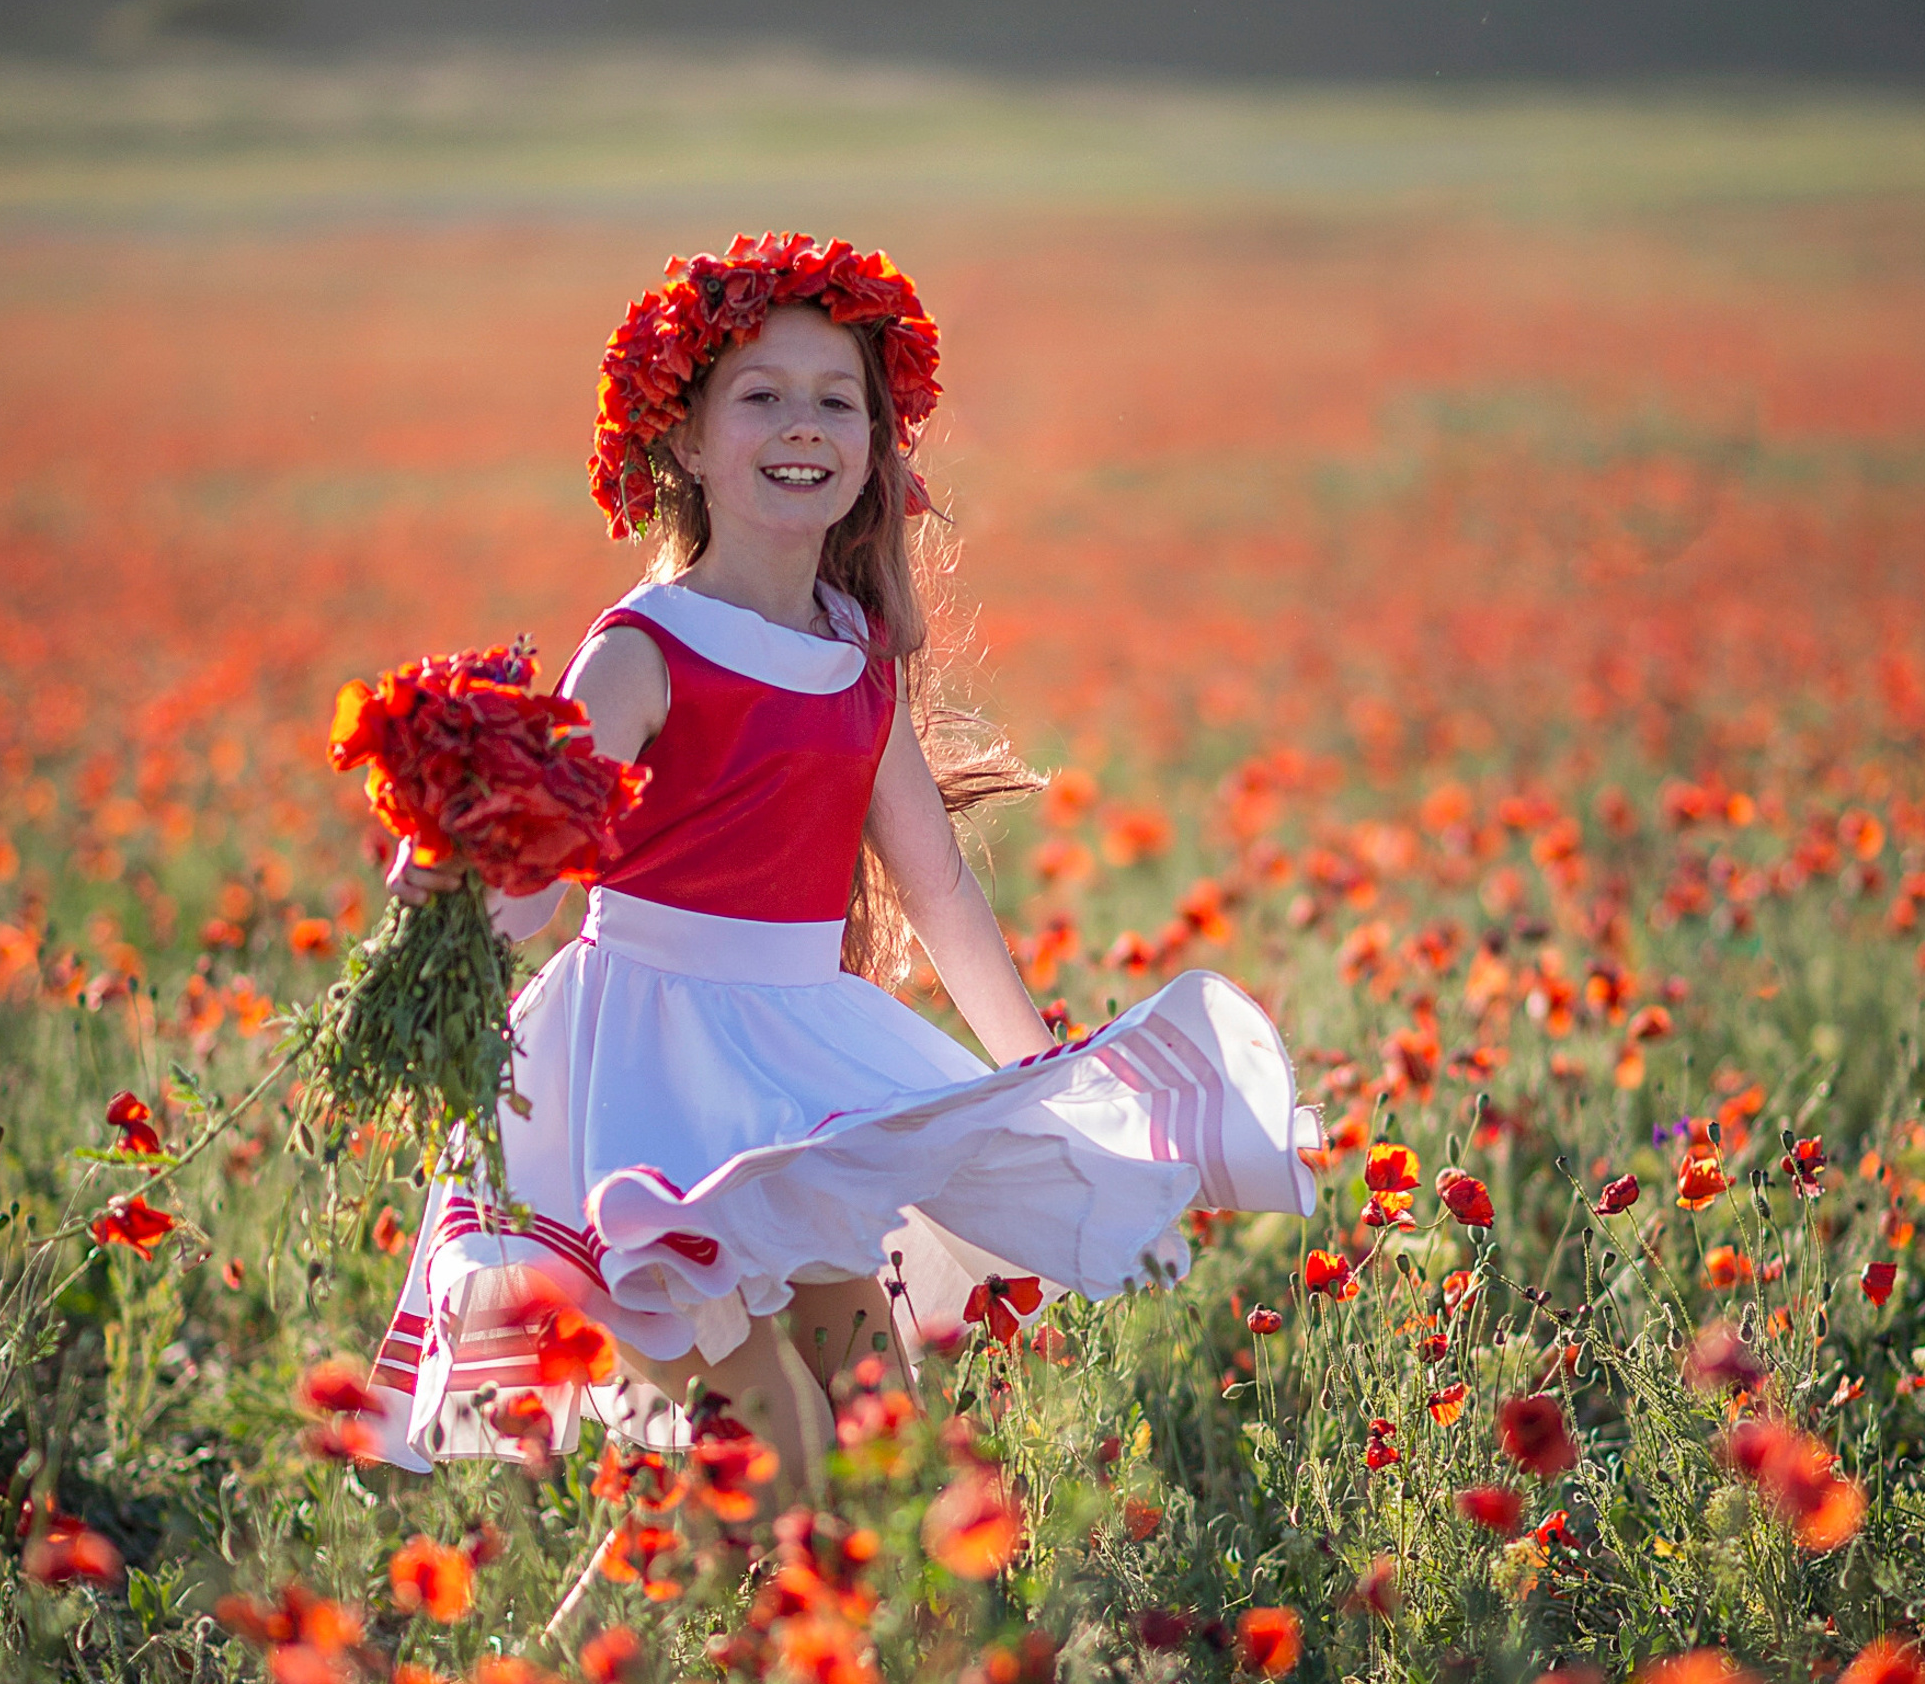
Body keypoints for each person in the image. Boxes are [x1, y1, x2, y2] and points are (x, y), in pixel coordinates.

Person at [362, 233, 1314, 1486]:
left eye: (836, 401)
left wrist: (1032, 1069)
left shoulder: (853, 650)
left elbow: (938, 887)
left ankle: (835, 1658)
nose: (801, 425)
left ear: (874, 446)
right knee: (781, 1439)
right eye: (760, 396)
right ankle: (757, 1656)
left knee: (881, 1435)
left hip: (796, 1073)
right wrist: (444, 900)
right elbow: (537, 882)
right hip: (642, 1078)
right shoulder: (642, 650)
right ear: (686, 441)